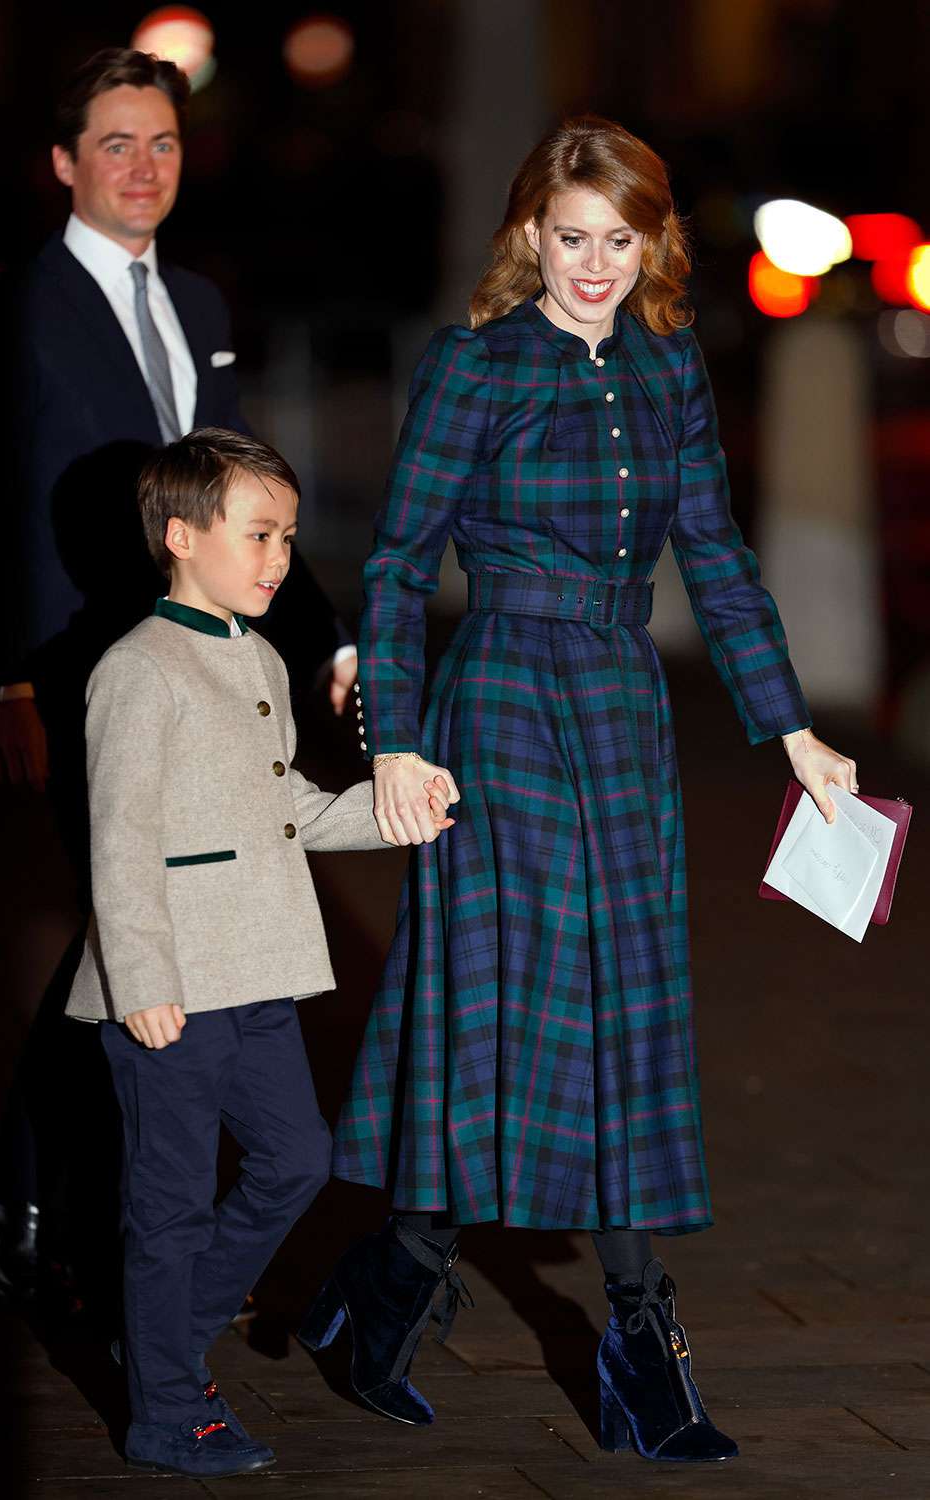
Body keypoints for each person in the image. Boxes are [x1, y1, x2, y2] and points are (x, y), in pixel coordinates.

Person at [301, 115, 858, 1464]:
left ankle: (405, 1295)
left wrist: (792, 735)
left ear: (650, 239)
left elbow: (716, 561)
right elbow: (396, 565)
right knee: (499, 1009)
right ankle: (608, 1335)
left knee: (623, 1018)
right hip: (493, 709)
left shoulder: (667, 373)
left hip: (617, 708)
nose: (594, 264)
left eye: (619, 238)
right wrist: (394, 740)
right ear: (528, 236)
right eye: (571, 237)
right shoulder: (477, 365)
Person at [0, 48, 357, 1303]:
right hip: (88, 675)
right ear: (65, 162)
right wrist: (0, 682)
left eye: (164, 143)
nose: (144, 166)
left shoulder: (198, 303)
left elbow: (239, 492)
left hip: (210, 660)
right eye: (117, 143)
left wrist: (326, 637)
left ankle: (41, 1192)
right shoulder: (16, 307)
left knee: (126, 937)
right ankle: (41, 1194)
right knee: (130, 927)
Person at [63, 426, 451, 1477]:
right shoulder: (139, 671)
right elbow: (120, 840)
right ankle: (166, 1412)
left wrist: (390, 813)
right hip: (175, 990)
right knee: (170, 1205)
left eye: (286, 536)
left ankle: (158, 1342)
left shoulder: (260, 655)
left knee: (296, 1161)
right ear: (181, 537)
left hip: (258, 976)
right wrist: (140, 981)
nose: (279, 557)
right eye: (258, 534)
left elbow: (277, 805)